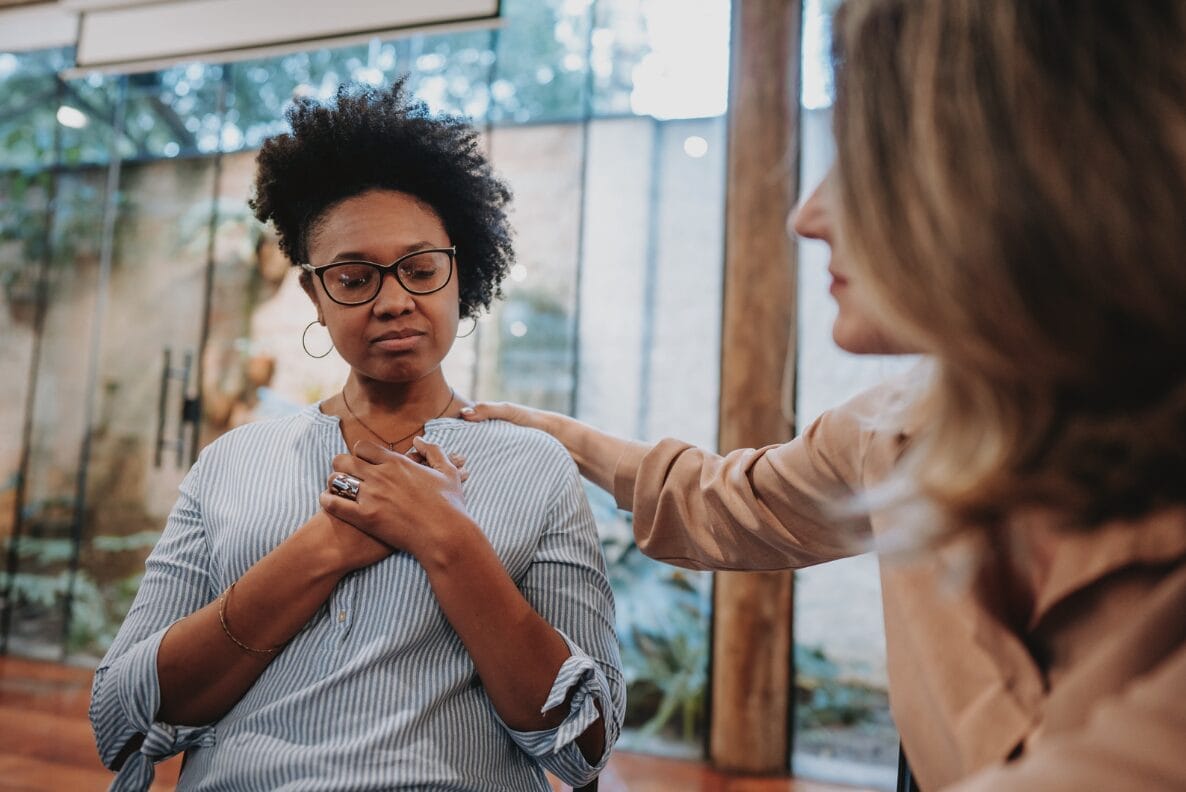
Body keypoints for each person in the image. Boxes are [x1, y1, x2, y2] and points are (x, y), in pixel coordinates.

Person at [465, 1, 1186, 789]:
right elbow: (722, 500)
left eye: (866, 159)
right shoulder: (894, 429)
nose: (806, 216)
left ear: (1024, 175)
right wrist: (550, 436)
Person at [90, 80, 624, 792]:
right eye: (353, 277)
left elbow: (584, 741)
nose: (395, 299)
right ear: (314, 294)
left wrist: (447, 539)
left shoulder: (535, 466)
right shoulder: (232, 461)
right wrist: (324, 547)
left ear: (459, 273)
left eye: (421, 268)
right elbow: (120, 716)